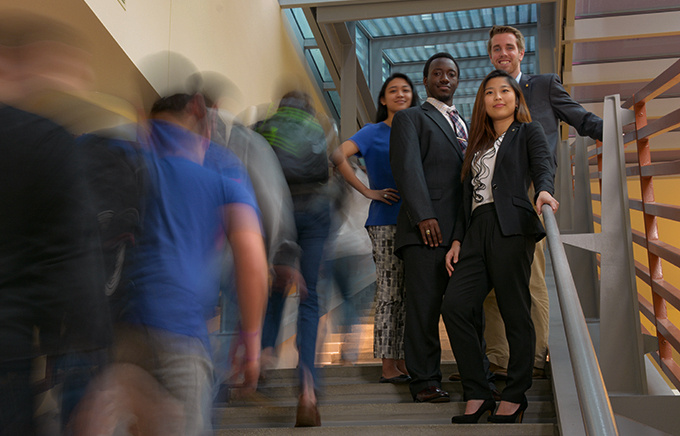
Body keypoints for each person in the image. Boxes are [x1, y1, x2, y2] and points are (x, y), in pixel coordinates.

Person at [85, 93, 269, 436]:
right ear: (206, 129)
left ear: (147, 128)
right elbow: (253, 264)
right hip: (182, 334)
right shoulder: (224, 182)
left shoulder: (120, 162)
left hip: (118, 334)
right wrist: (252, 344)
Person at [479, 24, 603, 379]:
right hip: (490, 196)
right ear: (490, 55)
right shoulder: (489, 94)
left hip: (532, 193)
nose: (502, 54)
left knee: (529, 275)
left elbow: (579, 118)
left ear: (521, 52)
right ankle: (500, 361)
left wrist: (612, 130)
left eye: (508, 47)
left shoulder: (544, 85)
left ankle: (534, 358)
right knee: (491, 280)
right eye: (496, 49)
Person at [442, 69, 558, 424]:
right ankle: (478, 390)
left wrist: (543, 190)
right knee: (456, 305)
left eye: (504, 90)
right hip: (477, 230)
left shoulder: (528, 131)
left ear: (515, 98)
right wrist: (458, 238)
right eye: (489, 92)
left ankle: (515, 394)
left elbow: (543, 164)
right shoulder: (475, 145)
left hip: (511, 226)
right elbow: (466, 199)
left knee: (514, 310)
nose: (497, 97)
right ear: (483, 102)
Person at [389, 53, 467, 403]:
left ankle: (473, 375)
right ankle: (424, 381)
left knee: (465, 306)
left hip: (461, 232)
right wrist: (423, 215)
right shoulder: (410, 118)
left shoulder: (465, 123)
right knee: (423, 307)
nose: (444, 78)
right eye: (437, 73)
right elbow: (407, 168)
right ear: (426, 81)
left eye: (451, 74)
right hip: (425, 230)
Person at [332, 73, 419, 383]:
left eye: (405, 90)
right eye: (392, 90)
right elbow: (338, 155)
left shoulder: (419, 129)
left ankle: (406, 360)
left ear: (412, 96)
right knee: (390, 292)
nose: (399, 94)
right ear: (383, 99)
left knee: (412, 294)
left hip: (418, 221)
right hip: (385, 220)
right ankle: (388, 364)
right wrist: (367, 191)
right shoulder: (372, 132)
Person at [254, 91, 332, 427]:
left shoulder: (264, 126)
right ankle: (307, 388)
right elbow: (326, 176)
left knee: (273, 290)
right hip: (315, 211)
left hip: (274, 213)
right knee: (309, 297)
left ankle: (262, 360)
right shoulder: (315, 126)